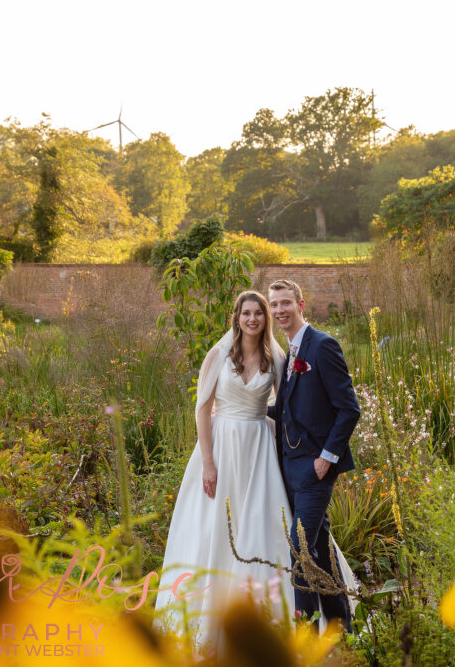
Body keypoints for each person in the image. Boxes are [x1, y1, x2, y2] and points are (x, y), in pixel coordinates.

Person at [153, 290, 356, 653]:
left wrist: (308, 449)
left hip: (261, 448)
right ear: (237, 316)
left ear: (267, 318)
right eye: (247, 313)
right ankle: (209, 615)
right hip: (222, 447)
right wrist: (209, 462)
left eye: (259, 313)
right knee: (214, 526)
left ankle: (291, 624)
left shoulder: (276, 357)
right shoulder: (217, 355)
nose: (253, 319)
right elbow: (202, 409)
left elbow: (289, 405)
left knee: (274, 529)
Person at [268, 278, 359, 633]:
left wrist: (327, 458)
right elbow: (291, 410)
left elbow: (349, 409)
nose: (280, 311)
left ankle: (305, 636)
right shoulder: (290, 351)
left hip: (315, 468)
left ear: (301, 304)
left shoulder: (322, 346)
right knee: (319, 546)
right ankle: (341, 630)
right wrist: (247, 413)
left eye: (286, 303)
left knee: (300, 546)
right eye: (274, 305)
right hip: (289, 469)